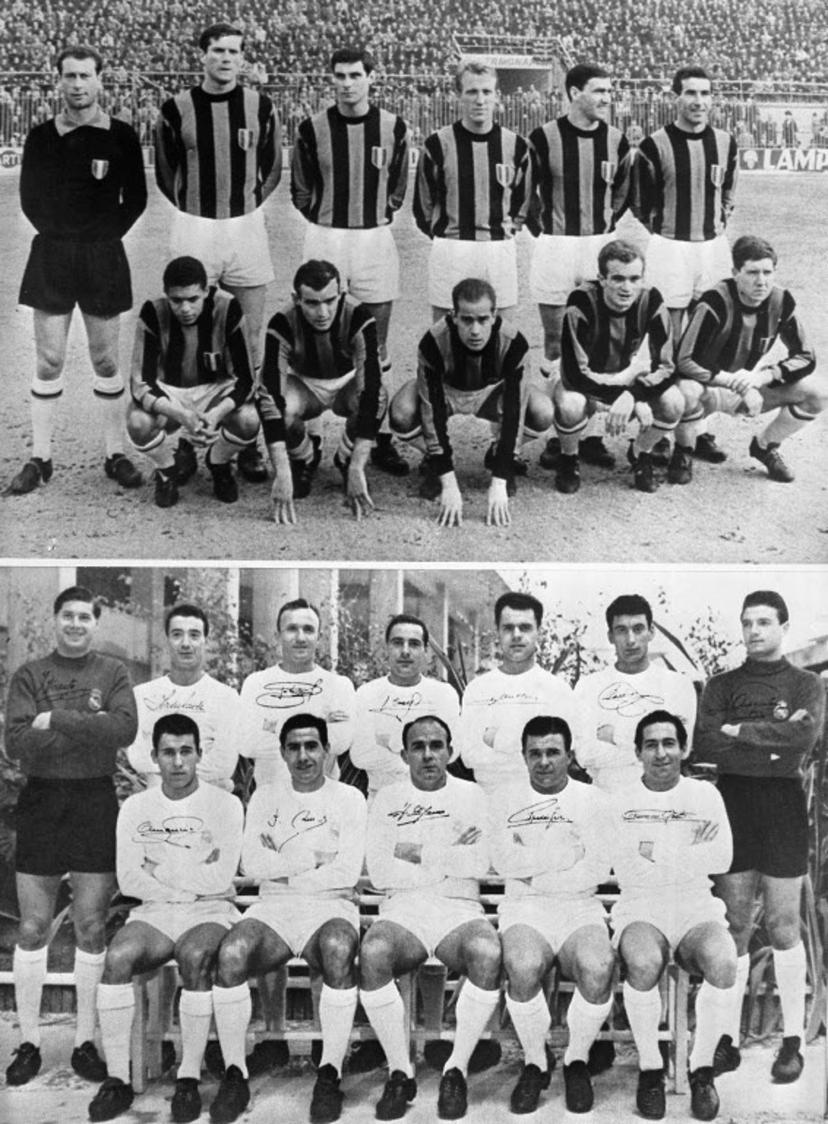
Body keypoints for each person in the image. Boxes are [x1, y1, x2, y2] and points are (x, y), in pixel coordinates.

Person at [4, 586, 138, 1087]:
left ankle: (85, 1040)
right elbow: (17, 743)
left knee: (89, 928)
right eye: (68, 616)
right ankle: (30, 1041)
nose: (76, 624)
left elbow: (122, 731)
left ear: (94, 623)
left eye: (85, 616)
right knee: (34, 928)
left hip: (92, 800)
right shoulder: (29, 674)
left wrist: (55, 719)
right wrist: (90, 726)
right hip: (41, 800)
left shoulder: (113, 672)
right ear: (55, 620)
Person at [208, 714, 367, 1124]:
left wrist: (283, 859)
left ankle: (329, 1071)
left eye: (311, 746)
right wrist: (316, 859)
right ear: (282, 753)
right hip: (275, 906)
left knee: (336, 950)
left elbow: (347, 872)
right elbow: (254, 863)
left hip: (331, 906)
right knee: (232, 953)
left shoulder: (349, 798)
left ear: (327, 751)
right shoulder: (264, 797)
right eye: (293, 747)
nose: (303, 756)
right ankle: (235, 1073)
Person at [694, 591, 825, 1085]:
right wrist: (766, 730)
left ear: (783, 627)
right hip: (734, 802)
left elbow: (802, 741)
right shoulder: (721, 685)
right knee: (734, 924)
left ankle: (792, 1040)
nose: (754, 631)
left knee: (785, 924)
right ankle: (726, 1038)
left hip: (784, 804)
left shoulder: (806, 683)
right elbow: (707, 741)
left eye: (764, 622)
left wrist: (739, 731)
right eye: (747, 622)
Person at [87, 714, 244, 1123]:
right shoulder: (137, 807)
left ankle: (188, 1077)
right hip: (155, 912)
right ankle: (118, 1079)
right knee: (117, 958)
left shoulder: (224, 804)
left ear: (199, 755)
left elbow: (222, 876)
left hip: (210, 910)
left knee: (195, 957)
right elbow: (130, 877)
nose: (177, 762)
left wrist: (161, 870)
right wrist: (188, 878)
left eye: (186, 752)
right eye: (168, 753)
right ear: (154, 757)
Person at [10, 44, 147, 495]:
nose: (77, 85)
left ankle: (114, 453)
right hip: (52, 254)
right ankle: (41, 457)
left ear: (100, 79)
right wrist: (63, 234)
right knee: (49, 361)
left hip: (103, 256)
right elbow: (30, 199)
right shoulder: (41, 136)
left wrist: (103, 237)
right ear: (58, 81)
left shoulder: (122, 135)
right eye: (69, 76)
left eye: (85, 76)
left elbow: (137, 199)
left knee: (105, 358)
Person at [154, 22, 282, 483]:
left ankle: (243, 442)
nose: (226, 58)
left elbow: (272, 169)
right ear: (202, 55)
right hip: (194, 228)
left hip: (246, 227)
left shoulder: (260, 105)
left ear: (243, 59)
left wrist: (242, 207)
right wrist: (197, 212)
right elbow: (166, 173)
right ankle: (191, 442)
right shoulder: (176, 108)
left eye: (234, 51)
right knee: (193, 339)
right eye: (217, 50)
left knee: (249, 339)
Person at [360, 715, 501, 1120]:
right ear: (404, 754)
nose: (427, 754)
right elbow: (382, 872)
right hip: (403, 907)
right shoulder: (387, 798)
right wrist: (448, 851)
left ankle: (455, 1068)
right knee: (373, 952)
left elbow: (477, 862)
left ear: (450, 751)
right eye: (417, 746)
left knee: (486, 952)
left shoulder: (472, 795)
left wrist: (414, 850)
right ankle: (400, 1071)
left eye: (436, 745)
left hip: (459, 905)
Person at [611, 710, 737, 1121]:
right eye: (651, 744)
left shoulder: (705, 796)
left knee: (723, 961)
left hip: (694, 903)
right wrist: (689, 850)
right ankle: (650, 1068)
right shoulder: (623, 800)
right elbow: (627, 868)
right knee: (644, 963)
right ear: (637, 752)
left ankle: (701, 1070)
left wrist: (654, 852)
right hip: (640, 904)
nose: (661, 753)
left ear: (684, 749)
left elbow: (721, 856)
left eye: (669, 743)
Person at [291, 46, 410, 478]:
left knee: (374, 344)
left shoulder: (394, 127)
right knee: (317, 337)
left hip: (374, 238)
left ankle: (377, 437)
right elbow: (301, 190)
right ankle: (313, 432)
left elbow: (397, 188)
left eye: (354, 75)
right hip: (325, 238)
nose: (346, 83)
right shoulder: (312, 128)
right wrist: (327, 220)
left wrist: (375, 215)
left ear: (370, 78)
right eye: (338, 76)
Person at [489, 716, 615, 1115]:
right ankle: (535, 1061)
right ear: (524, 757)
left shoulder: (593, 800)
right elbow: (504, 861)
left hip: (579, 906)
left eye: (552, 752)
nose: (544, 762)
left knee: (598, 967)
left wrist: (533, 864)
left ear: (569, 755)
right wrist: (565, 855)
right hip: (525, 907)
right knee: (523, 966)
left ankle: (576, 1060)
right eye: (535, 754)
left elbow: (596, 868)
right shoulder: (505, 799)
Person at [525, 62, 633, 471]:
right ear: (573, 93)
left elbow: (622, 191)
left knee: (597, 340)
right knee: (556, 342)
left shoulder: (618, 141)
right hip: (554, 245)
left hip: (597, 246)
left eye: (609, 91)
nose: (607, 97)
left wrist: (604, 227)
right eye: (598, 90)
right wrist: (542, 228)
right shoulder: (542, 138)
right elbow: (527, 190)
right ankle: (560, 435)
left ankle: (588, 437)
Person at [635, 65, 738, 467]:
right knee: (670, 339)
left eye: (705, 94)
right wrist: (667, 231)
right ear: (675, 96)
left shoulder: (726, 142)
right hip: (670, 246)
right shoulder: (655, 143)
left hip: (712, 247)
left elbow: (728, 192)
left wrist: (715, 225)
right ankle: (666, 426)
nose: (698, 101)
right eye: (690, 93)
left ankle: (701, 429)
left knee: (711, 335)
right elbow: (642, 203)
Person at [389, 278, 552, 527]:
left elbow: (514, 411)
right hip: (447, 392)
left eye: (483, 319)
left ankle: (499, 455)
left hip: (491, 392)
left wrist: (500, 479)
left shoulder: (514, 342)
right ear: (453, 316)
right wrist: (448, 481)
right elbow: (431, 409)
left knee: (542, 411)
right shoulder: (433, 341)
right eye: (467, 320)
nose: (475, 330)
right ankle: (435, 460)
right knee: (401, 412)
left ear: (494, 315)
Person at [674, 235, 824, 484]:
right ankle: (683, 451)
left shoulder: (781, 300)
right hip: (708, 385)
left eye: (768, 272)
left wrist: (761, 377)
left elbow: (806, 356)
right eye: (752, 272)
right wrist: (739, 384)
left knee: (819, 392)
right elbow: (686, 359)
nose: (761, 281)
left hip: (747, 382)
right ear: (735, 272)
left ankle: (764, 446)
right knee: (686, 391)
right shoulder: (715, 301)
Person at [552, 239, 685, 495]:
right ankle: (569, 457)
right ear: (601, 279)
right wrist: (629, 400)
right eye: (617, 279)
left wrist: (632, 394)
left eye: (635, 279)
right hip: (585, 379)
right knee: (570, 405)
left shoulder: (651, 298)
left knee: (674, 402)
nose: (627, 288)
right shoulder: (581, 300)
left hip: (626, 375)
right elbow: (574, 374)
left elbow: (668, 366)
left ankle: (639, 452)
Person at [256, 259, 385, 522]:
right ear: (296, 299)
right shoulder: (281, 322)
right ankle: (304, 457)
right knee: (276, 405)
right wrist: (282, 472)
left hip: (347, 381)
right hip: (305, 385)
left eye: (330, 300)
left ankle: (346, 458)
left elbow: (371, 388)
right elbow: (271, 396)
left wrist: (359, 464)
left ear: (342, 294)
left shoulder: (360, 315)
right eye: (312, 303)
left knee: (379, 394)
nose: (323, 312)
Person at [127, 256, 260, 508]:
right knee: (138, 422)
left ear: (205, 291)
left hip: (214, 390)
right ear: (166, 295)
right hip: (171, 392)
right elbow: (140, 381)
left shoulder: (227, 307)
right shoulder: (153, 312)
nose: (185, 308)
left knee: (249, 419)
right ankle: (167, 470)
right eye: (176, 300)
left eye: (192, 299)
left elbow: (245, 378)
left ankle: (219, 462)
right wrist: (180, 414)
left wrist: (216, 413)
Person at [413, 61, 529, 319]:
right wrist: (442, 232)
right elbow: (423, 204)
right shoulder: (437, 144)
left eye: (487, 92)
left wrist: (511, 227)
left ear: (497, 96)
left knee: (501, 329)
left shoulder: (516, 145)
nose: (480, 100)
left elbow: (523, 200)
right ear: (458, 96)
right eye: (472, 92)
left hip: (498, 247)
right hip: (452, 247)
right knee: (446, 330)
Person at [458, 591, 579, 796]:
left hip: (542, 803)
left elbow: (562, 755)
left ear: (538, 633)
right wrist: (529, 749)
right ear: (497, 632)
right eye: (508, 628)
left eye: (525, 627)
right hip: (491, 799)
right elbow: (470, 756)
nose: (516, 635)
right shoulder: (478, 690)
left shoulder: (557, 691)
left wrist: (497, 739)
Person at [573, 593, 698, 791]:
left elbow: (681, 750)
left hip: (661, 799)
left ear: (651, 632)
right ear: (610, 636)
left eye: (638, 629)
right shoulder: (588, 686)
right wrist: (650, 748)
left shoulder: (677, 685)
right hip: (607, 798)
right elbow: (585, 754)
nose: (631, 640)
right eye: (621, 630)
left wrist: (616, 735)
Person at [238, 598, 356, 786]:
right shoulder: (256, 683)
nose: (300, 638)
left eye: (308, 630)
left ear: (319, 636)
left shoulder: (339, 686)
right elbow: (247, 744)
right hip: (270, 798)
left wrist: (270, 724)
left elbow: (341, 742)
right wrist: (320, 721)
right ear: (278, 636)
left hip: (323, 799)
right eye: (292, 629)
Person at [128, 602, 240, 790]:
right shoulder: (143, 695)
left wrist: (162, 770)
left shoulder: (226, 697)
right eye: (177, 635)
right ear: (167, 641)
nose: (186, 644)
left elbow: (225, 765)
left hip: (207, 805)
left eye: (194, 635)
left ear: (206, 641)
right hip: (157, 804)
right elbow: (138, 757)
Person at [352, 613, 460, 798]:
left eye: (414, 644)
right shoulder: (367, 693)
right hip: (382, 798)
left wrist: (388, 742)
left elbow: (454, 750)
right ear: (387, 648)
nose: (405, 651)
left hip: (433, 800)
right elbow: (361, 754)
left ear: (426, 650)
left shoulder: (443, 694)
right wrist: (420, 758)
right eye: (397, 642)